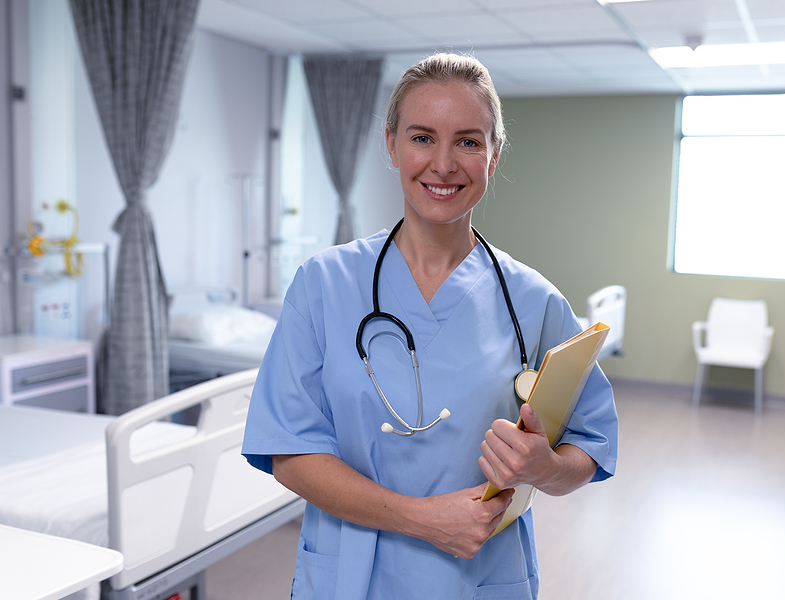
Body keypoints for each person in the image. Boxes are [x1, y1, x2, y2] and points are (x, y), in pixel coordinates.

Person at [242, 52, 618, 599]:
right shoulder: (322, 284)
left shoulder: (535, 301)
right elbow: (288, 451)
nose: (443, 164)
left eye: (468, 142)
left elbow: (590, 444)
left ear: (493, 155)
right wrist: (420, 518)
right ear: (391, 144)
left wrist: (544, 467)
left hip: (482, 575)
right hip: (350, 577)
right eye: (422, 138)